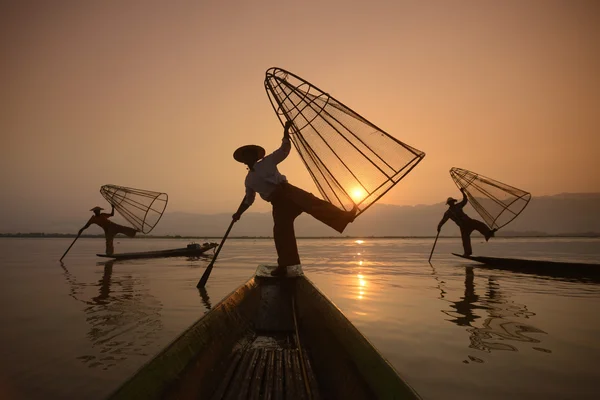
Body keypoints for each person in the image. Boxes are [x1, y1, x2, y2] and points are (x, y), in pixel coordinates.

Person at [232, 120, 358, 276]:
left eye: (250, 153)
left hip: (288, 191)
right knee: (281, 233)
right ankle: (285, 266)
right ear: (243, 160)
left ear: (255, 155)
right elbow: (248, 200)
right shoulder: (248, 180)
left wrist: (286, 131)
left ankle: (345, 217)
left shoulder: (268, 161)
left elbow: (284, 150)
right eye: (246, 155)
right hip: (277, 202)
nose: (248, 156)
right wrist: (238, 213)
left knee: (314, 204)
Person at [437, 188, 496, 256]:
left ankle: (488, 233)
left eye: (452, 202)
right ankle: (468, 252)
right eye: (451, 202)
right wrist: (439, 226)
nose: (452, 203)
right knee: (465, 240)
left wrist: (463, 192)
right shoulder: (448, 213)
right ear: (449, 204)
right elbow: (443, 220)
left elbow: (465, 200)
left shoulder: (458, 206)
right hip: (463, 226)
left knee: (480, 225)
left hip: (469, 222)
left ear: (453, 202)